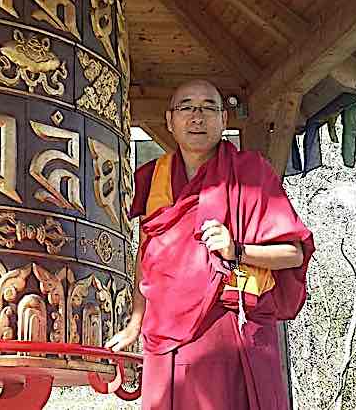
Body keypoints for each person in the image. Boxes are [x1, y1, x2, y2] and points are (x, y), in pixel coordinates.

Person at [105, 79, 315, 410]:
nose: (197, 117)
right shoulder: (153, 177)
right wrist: (135, 323)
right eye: (187, 107)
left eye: (208, 108)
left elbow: (293, 254)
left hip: (226, 330)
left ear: (224, 121)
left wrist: (238, 250)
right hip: (162, 335)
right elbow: (147, 258)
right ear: (170, 120)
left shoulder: (248, 173)